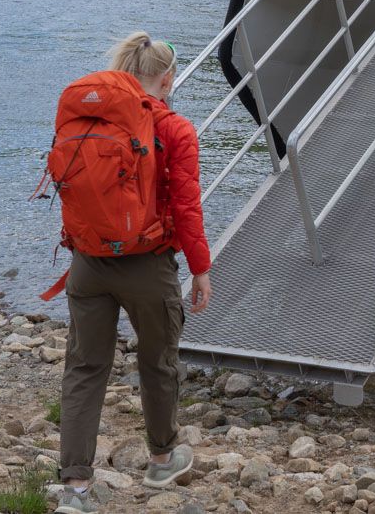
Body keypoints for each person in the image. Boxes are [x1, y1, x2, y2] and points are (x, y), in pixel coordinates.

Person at [56, 33, 213, 514]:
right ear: (167, 80)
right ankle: (161, 459)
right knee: (158, 361)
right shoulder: (176, 129)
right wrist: (200, 269)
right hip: (148, 264)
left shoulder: (90, 119)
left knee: (85, 368)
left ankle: (75, 489)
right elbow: (187, 208)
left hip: (88, 263)